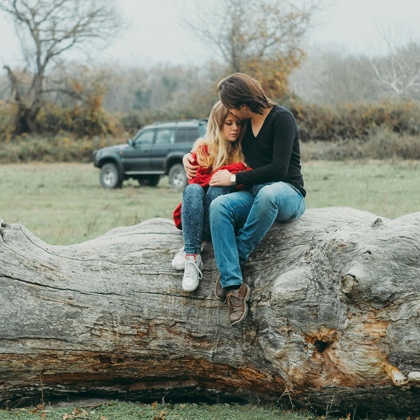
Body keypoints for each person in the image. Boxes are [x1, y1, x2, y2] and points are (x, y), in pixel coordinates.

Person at [184, 73, 306, 326]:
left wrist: (232, 180)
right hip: (253, 193)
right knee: (219, 206)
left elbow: (279, 169)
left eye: (230, 105)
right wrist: (189, 156)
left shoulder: (282, 118)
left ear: (242, 104)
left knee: (268, 193)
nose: (231, 113)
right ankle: (233, 286)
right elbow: (214, 142)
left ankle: (234, 259)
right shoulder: (244, 125)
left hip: (286, 192)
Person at [172, 100, 250, 292]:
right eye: (229, 123)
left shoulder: (244, 149)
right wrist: (186, 157)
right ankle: (192, 256)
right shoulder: (204, 147)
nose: (235, 129)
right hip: (199, 213)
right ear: (217, 124)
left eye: (238, 123)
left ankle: (193, 244)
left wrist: (230, 177)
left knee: (217, 188)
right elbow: (194, 183)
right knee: (192, 190)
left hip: (223, 217)